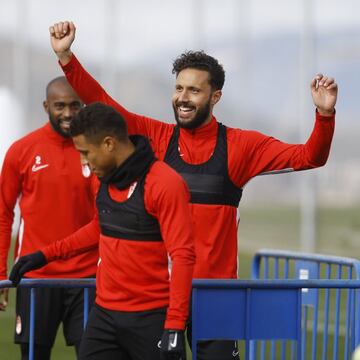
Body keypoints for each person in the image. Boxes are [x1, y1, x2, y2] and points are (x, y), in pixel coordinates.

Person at [49, 21, 337, 360]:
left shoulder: (241, 145)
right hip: (162, 297)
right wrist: (66, 56)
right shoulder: (156, 137)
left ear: (215, 97)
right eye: (179, 88)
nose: (183, 98)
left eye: (194, 91)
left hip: (217, 296)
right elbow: (103, 104)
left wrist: (324, 113)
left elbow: (309, 157)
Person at [9, 102, 195, 360]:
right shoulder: (105, 177)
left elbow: (183, 255)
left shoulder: (165, 184)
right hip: (104, 316)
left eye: (86, 152)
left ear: (109, 144)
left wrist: (175, 325)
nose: (84, 162)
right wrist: (44, 255)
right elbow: (99, 228)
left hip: (151, 318)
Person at [0, 76, 98, 360]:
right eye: (59, 106)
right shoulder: (22, 150)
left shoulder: (95, 151)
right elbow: (4, 214)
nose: (67, 113)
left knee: (94, 354)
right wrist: (1, 275)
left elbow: (106, 217)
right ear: (46, 106)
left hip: (87, 278)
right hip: (35, 278)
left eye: (74, 106)